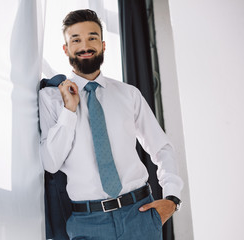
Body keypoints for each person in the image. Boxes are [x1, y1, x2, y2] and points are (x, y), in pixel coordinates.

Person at [39, 9, 183, 240]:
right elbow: (51, 162)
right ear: (66, 49)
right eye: (76, 39)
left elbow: (162, 147)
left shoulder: (129, 94)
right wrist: (69, 110)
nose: (85, 46)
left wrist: (172, 199)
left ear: (103, 45)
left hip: (140, 216)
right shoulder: (51, 99)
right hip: (87, 223)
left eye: (92, 38)